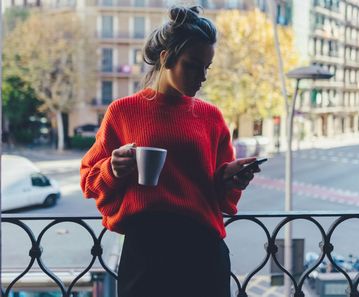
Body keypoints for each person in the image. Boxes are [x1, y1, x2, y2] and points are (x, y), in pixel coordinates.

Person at [80, 6, 261, 297]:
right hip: (147, 252)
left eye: (206, 67)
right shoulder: (123, 111)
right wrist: (112, 169)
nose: (201, 76)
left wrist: (230, 179)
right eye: (192, 65)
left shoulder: (211, 116)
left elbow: (220, 197)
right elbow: (89, 181)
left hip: (203, 250)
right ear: (167, 58)